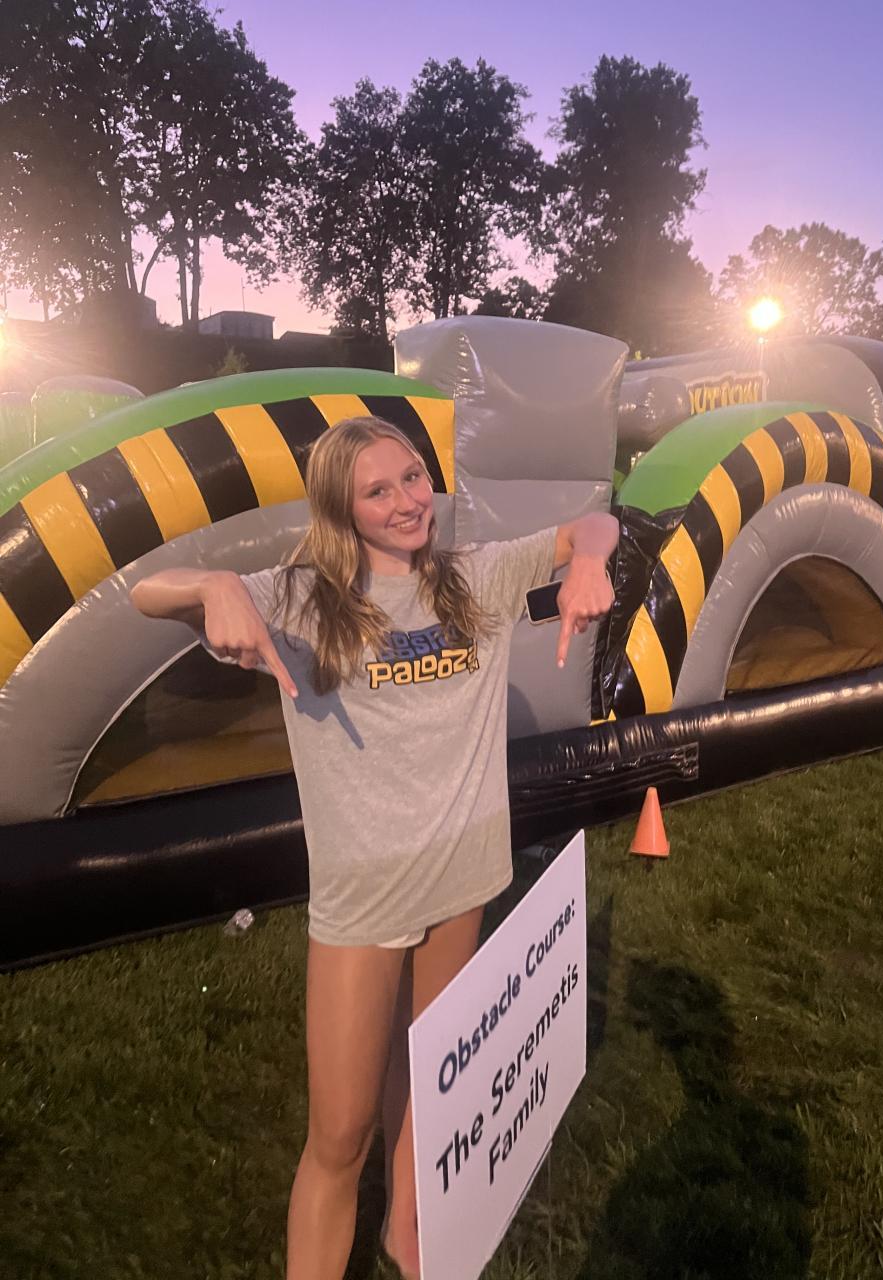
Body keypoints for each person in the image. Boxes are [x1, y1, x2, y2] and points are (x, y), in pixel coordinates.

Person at [131, 416, 618, 1280]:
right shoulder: (302, 597)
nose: (406, 501)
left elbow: (595, 524)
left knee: (429, 1085)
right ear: (340, 508)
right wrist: (213, 584)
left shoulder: (475, 576)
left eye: (414, 477)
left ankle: (406, 1234)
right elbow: (144, 591)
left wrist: (587, 562)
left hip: (465, 873)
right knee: (340, 1134)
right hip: (365, 896)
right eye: (377, 490)